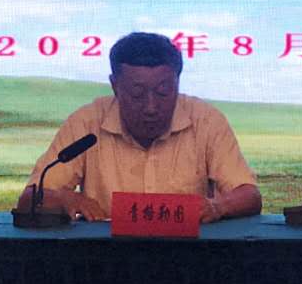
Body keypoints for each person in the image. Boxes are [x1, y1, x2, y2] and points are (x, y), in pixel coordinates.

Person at [19, 31, 262, 223]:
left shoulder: (205, 120)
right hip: (104, 256)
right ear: (115, 86)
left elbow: (249, 195)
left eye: (163, 92)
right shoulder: (87, 122)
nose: (151, 107)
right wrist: (65, 198)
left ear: (177, 82)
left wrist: (217, 206)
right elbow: (29, 198)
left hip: (189, 255)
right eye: (137, 93)